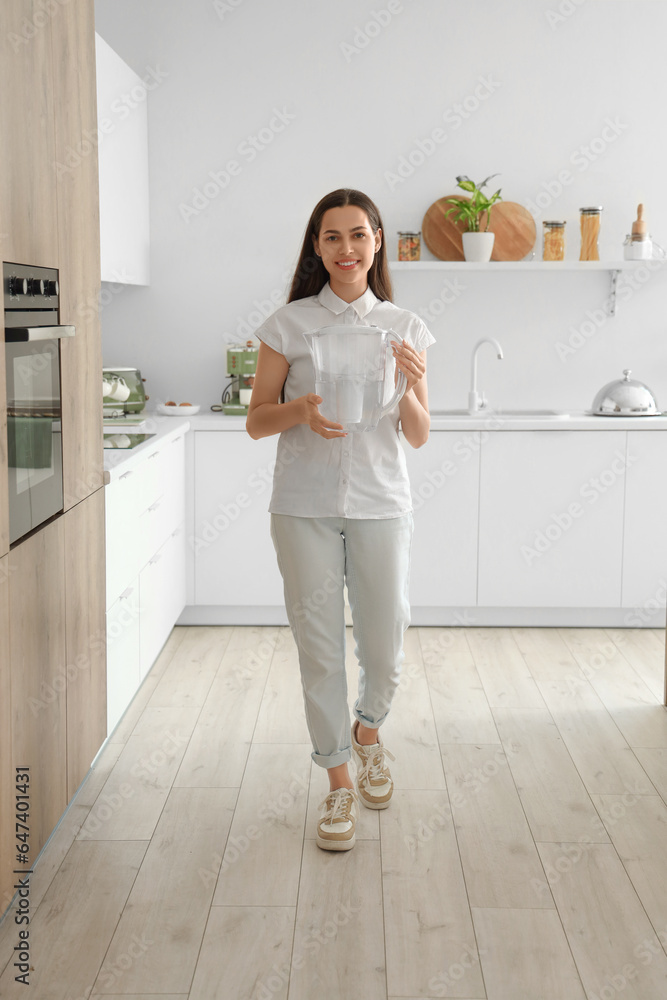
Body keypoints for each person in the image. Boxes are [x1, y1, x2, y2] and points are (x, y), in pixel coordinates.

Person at [246, 188, 435, 851]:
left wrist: (412, 383)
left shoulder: (406, 326)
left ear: (377, 241)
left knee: (384, 645)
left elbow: (417, 435)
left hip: (382, 502)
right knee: (318, 649)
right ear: (317, 247)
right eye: (332, 237)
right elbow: (255, 420)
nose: (346, 249)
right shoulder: (288, 323)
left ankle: (368, 731)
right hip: (304, 506)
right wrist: (299, 411)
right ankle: (336, 784)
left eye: (358, 235)